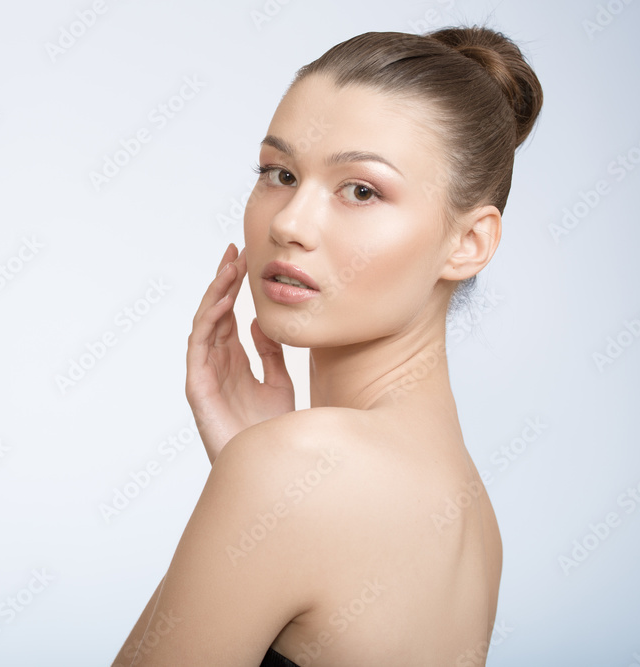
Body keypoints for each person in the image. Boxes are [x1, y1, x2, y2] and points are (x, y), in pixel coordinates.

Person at [113, 24, 543, 667]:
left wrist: (261, 474)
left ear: (468, 244)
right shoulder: (474, 519)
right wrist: (247, 472)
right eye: (279, 173)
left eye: (361, 190)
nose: (289, 223)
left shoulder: (293, 468)